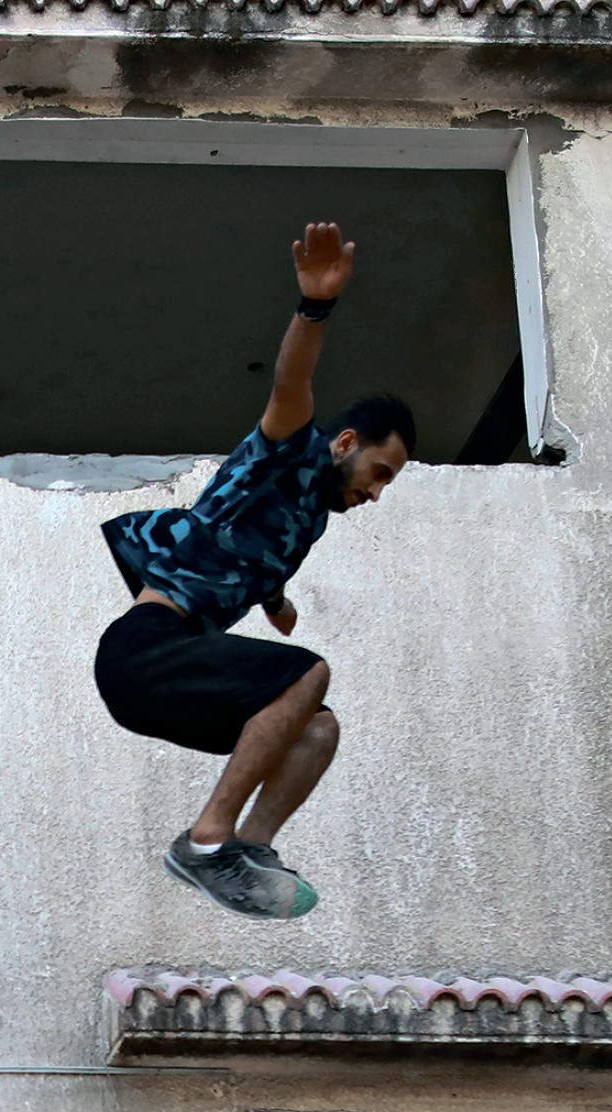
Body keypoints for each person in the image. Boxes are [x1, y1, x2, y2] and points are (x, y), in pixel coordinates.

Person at [94, 222, 415, 920]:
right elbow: (291, 380)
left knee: (318, 728)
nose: (376, 493)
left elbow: (251, 558)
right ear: (346, 443)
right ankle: (205, 842)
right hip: (144, 651)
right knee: (307, 672)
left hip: (176, 671)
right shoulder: (286, 451)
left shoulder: (308, 519)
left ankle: (249, 851)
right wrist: (315, 306)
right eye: (379, 473)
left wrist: (276, 602)